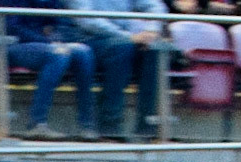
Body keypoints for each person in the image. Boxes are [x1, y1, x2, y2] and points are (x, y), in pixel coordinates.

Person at [67, 0, 167, 139]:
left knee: (154, 51)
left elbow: (156, 5)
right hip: (88, 39)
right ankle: (110, 125)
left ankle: (146, 127)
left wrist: (151, 30)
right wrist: (128, 36)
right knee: (122, 48)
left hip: (125, 39)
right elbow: (86, 19)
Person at [3, 0, 99, 140]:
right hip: (12, 43)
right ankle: (37, 123)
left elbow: (59, 21)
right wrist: (49, 42)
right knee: (58, 54)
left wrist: (57, 40)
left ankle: (87, 126)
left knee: (84, 52)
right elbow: (12, 27)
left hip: (44, 44)